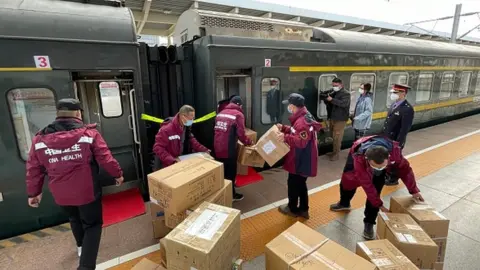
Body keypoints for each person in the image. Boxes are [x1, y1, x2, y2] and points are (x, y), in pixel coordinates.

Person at [26, 98, 124, 270]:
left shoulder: (39, 139)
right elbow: (106, 159)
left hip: (61, 194)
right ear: (78, 113)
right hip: (87, 191)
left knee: (74, 218)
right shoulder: (89, 134)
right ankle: (86, 266)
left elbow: (34, 168)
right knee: (92, 225)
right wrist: (118, 174)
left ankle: (81, 247)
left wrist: (34, 193)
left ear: (58, 114)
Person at [329, 135, 423, 240]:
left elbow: (405, 171)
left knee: (376, 190)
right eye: (375, 166)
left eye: (381, 166)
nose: (378, 169)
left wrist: (413, 190)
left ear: (388, 157)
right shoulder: (359, 157)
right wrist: (380, 205)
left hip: (379, 160)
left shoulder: (395, 154)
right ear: (367, 159)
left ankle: (369, 222)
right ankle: (344, 203)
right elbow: (367, 185)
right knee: (348, 181)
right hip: (358, 159)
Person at [276, 93, 322, 219]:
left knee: (293, 184)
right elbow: (296, 132)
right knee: (301, 184)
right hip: (303, 158)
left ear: (293, 106)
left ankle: (292, 209)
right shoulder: (303, 116)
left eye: (289, 105)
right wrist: (285, 129)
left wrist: (284, 137)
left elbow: (301, 142)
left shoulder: (302, 122)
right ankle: (303, 209)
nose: (288, 107)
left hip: (301, 160)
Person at [214, 96, 253, 201]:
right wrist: (249, 142)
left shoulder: (220, 113)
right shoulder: (238, 115)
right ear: (239, 105)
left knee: (223, 171)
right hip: (229, 149)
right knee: (231, 172)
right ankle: (231, 196)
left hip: (217, 147)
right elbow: (241, 134)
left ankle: (224, 191)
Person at [153, 105, 210, 170]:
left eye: (193, 118)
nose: (192, 121)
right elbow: (157, 148)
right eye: (190, 119)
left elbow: (192, 140)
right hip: (167, 165)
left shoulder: (185, 127)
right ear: (182, 116)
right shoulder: (166, 129)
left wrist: (204, 150)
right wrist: (172, 161)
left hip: (178, 160)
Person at [382, 84, 414, 186]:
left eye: (395, 92)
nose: (392, 94)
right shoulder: (394, 104)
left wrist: (398, 144)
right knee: (388, 158)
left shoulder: (407, 109)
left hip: (395, 140)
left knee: (395, 160)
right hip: (388, 138)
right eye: (393, 92)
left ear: (403, 93)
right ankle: (388, 174)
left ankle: (393, 179)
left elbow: (404, 129)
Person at [325, 78, 350, 161]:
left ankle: (336, 154)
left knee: (337, 137)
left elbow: (343, 104)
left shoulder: (346, 94)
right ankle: (333, 152)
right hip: (333, 117)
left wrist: (332, 99)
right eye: (333, 85)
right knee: (333, 135)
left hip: (340, 119)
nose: (334, 87)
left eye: (336, 85)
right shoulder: (334, 92)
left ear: (341, 85)